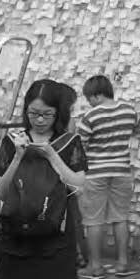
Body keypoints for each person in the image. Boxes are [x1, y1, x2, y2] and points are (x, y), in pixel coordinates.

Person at [0, 79, 86, 279]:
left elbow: (78, 185)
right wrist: (19, 156)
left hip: (54, 240)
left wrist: (53, 156)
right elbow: (1, 190)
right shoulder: (14, 140)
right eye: (33, 113)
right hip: (17, 240)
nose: (40, 120)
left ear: (59, 113)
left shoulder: (69, 142)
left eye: (47, 114)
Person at [77, 75, 140, 279]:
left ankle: (95, 267)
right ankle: (122, 264)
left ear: (97, 95)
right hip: (122, 171)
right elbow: (138, 131)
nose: (88, 102)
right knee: (120, 217)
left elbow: (80, 147)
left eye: (89, 98)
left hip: (96, 172)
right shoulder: (129, 111)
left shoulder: (90, 117)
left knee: (94, 220)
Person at [53, 82, 90, 267]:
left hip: (54, 177)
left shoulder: (48, 122)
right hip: (67, 176)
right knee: (73, 217)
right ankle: (78, 255)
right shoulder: (69, 122)